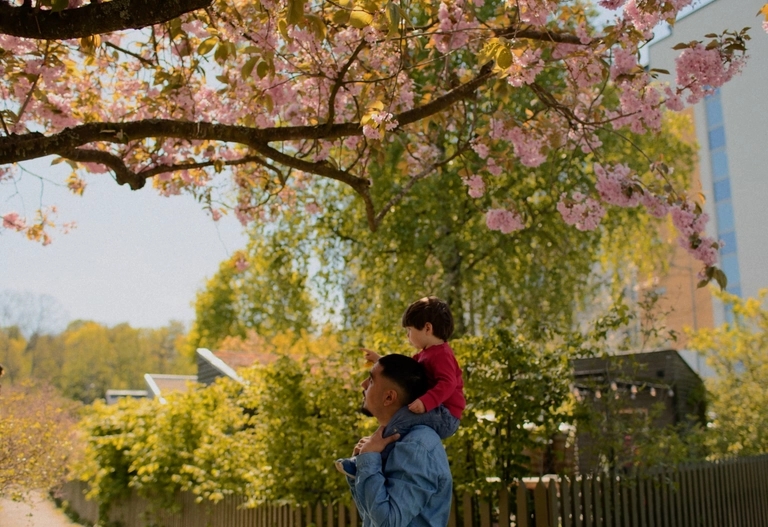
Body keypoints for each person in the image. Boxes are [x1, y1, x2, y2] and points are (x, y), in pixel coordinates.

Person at [336, 296, 465, 477]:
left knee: (401, 419)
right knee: (400, 420)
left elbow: (448, 383)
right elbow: (404, 372)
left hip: (446, 415)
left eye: (410, 330)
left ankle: (370, 458)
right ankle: (371, 455)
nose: (407, 336)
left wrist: (425, 402)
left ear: (427, 328)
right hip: (438, 411)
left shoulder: (442, 355)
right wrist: (380, 360)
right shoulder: (426, 354)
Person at [345, 354, 453, 527]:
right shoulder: (391, 443)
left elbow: (388, 523)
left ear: (389, 397)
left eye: (371, 380)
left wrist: (369, 458)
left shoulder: (416, 445)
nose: (363, 384)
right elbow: (372, 518)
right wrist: (360, 466)